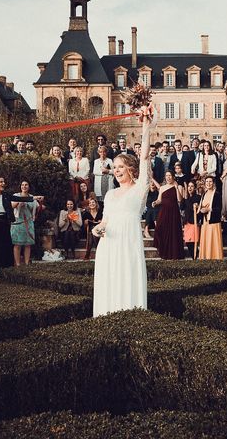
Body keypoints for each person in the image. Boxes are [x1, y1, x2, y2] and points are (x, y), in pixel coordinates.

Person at [92, 113, 153, 317]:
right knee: (108, 287)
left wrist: (146, 125)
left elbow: (144, 157)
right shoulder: (110, 194)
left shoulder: (140, 188)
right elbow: (105, 221)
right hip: (108, 247)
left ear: (130, 169)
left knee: (127, 284)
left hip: (128, 246)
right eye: (114, 167)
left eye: (120, 167)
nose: (116, 170)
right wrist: (97, 228)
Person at [152, 170, 185, 259]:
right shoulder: (162, 188)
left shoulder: (179, 187)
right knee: (159, 228)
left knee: (173, 232)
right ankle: (163, 251)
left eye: (170, 175)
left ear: (173, 176)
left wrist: (176, 187)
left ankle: (174, 253)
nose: (168, 177)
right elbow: (160, 200)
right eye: (166, 176)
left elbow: (179, 200)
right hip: (163, 211)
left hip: (174, 212)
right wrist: (155, 202)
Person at [10, 180, 44, 266]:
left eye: (26, 185)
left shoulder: (32, 197)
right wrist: (19, 203)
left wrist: (41, 204)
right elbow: (12, 206)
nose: (24, 186)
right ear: (20, 186)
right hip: (18, 221)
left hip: (28, 223)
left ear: (29, 187)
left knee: (28, 244)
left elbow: (37, 207)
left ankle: (26, 264)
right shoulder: (16, 195)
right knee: (17, 244)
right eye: (22, 185)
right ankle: (17, 264)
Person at [197, 176, 223, 260]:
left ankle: (215, 257)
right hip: (205, 222)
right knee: (206, 240)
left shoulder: (217, 194)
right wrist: (199, 208)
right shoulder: (204, 194)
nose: (208, 183)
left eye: (210, 181)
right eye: (207, 182)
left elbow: (219, 208)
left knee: (214, 240)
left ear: (213, 183)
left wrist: (208, 209)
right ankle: (206, 257)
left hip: (213, 221)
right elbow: (201, 206)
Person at [181, 181, 201, 259]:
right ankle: (195, 257)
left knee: (193, 241)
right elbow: (181, 207)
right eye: (189, 186)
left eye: (192, 186)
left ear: (195, 188)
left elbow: (192, 208)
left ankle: (195, 257)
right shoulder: (186, 197)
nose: (190, 188)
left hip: (194, 222)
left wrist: (186, 199)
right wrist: (184, 198)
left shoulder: (198, 197)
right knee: (187, 241)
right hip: (186, 222)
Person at [82, 195, 103, 260]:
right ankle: (99, 252)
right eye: (90, 203)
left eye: (93, 202)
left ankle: (87, 255)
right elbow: (83, 226)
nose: (91, 204)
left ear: (96, 203)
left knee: (93, 233)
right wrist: (85, 223)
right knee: (92, 232)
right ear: (88, 205)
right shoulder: (86, 214)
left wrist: (101, 222)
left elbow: (104, 223)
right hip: (88, 231)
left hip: (99, 231)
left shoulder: (100, 212)